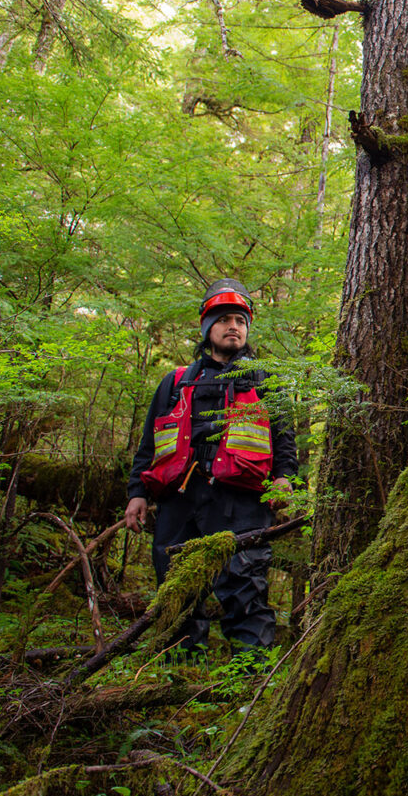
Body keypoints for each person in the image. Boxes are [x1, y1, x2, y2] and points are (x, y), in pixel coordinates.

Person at [124, 278, 297, 655]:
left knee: (245, 588)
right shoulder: (175, 382)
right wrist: (136, 494)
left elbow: (284, 440)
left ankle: (249, 686)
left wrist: (284, 479)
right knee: (176, 590)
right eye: (224, 319)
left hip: (242, 502)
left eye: (240, 320)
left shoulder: (266, 381)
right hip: (180, 501)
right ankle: (178, 682)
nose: (233, 326)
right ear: (207, 329)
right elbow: (148, 447)